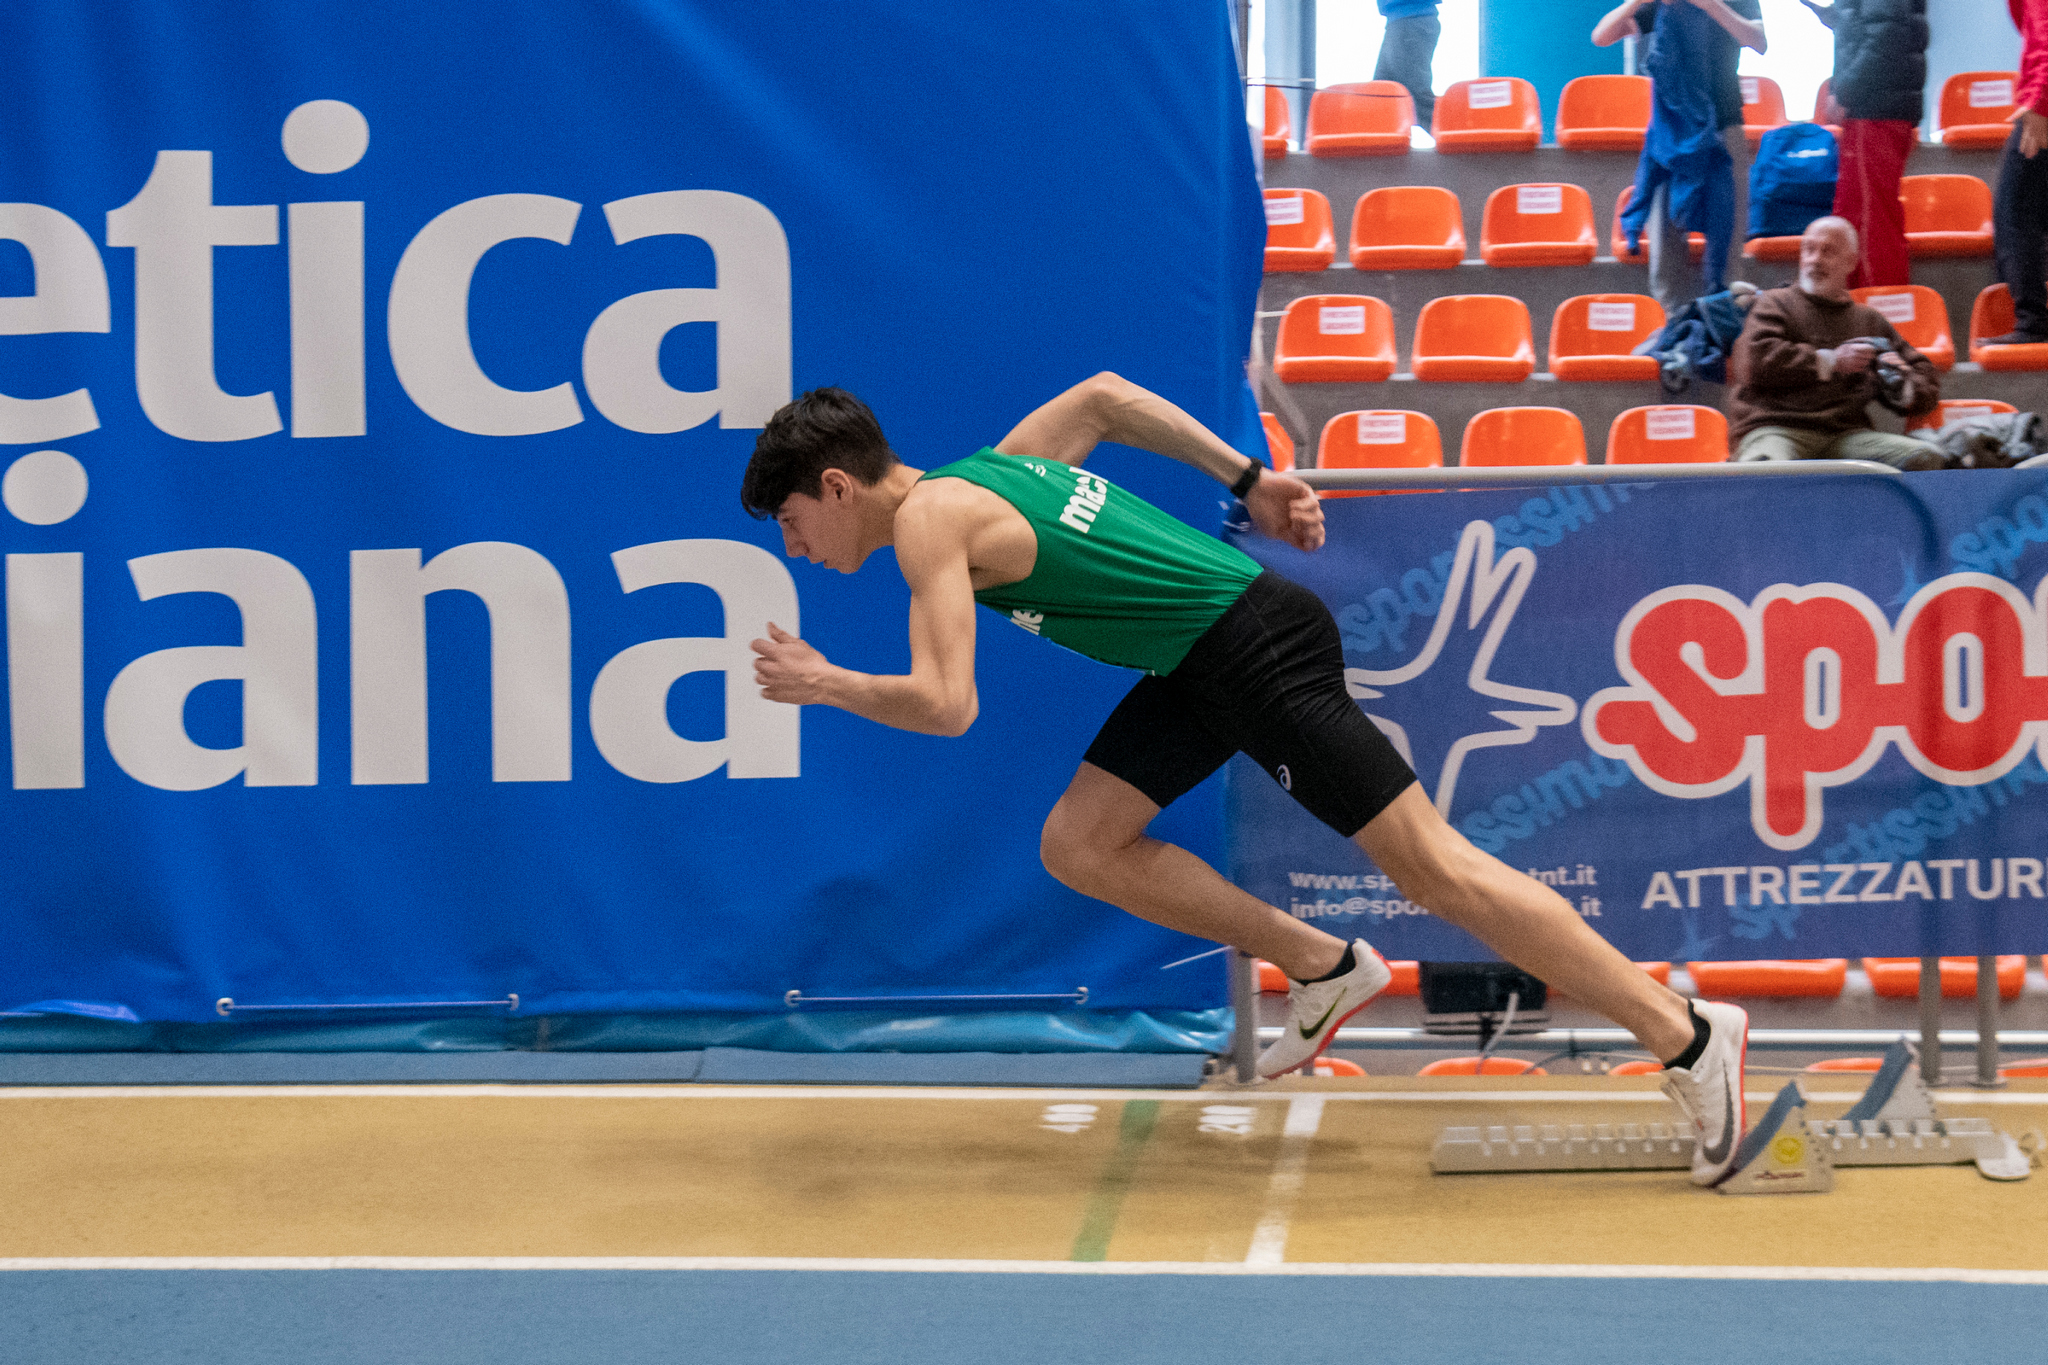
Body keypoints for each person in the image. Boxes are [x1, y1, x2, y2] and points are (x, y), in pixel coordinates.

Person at [740, 376, 1752, 1187]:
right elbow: (1102, 397)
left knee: (1434, 868)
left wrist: (826, 682)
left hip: (1252, 649)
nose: (794, 547)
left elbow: (947, 704)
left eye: (790, 520)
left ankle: (1686, 1034)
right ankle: (1321, 964)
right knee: (1080, 843)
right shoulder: (993, 469)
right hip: (1198, 662)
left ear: (836, 486)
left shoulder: (929, 522)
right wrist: (1249, 477)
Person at [1593, 0, 1767, 312]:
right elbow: (1601, 36)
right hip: (1671, 138)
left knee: (1728, 261)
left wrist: (1710, 6)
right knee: (1665, 259)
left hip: (1725, 131)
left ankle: (1722, 327)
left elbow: (1758, 41)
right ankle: (1675, 331)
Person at [1730, 215, 1941, 466]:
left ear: (1851, 262)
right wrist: (1831, 361)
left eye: (1827, 251)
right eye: (1809, 250)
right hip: (1775, 429)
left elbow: (1924, 378)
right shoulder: (1774, 302)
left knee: (1926, 458)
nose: (1815, 259)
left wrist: (1903, 383)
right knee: (1768, 468)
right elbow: (1754, 361)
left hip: (1846, 435)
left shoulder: (1869, 320)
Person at [1801, 0, 1928, 290]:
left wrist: (1844, 92)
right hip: (1879, 110)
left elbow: (1886, 34)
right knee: (1855, 221)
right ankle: (1857, 307)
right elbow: (1880, 25)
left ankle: (1879, 309)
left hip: (1874, 112)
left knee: (1872, 225)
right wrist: (1836, 15)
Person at [1988, 0, 2048, 343]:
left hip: (2044, 107)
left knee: (2014, 213)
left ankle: (2032, 322)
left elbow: (2044, 31)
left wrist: (2038, 101)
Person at [1376, 0, 1441, 132]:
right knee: (1382, 94)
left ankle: (1459, 135)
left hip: (1411, 18)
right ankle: (1383, 144)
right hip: (1401, 20)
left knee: (1413, 94)